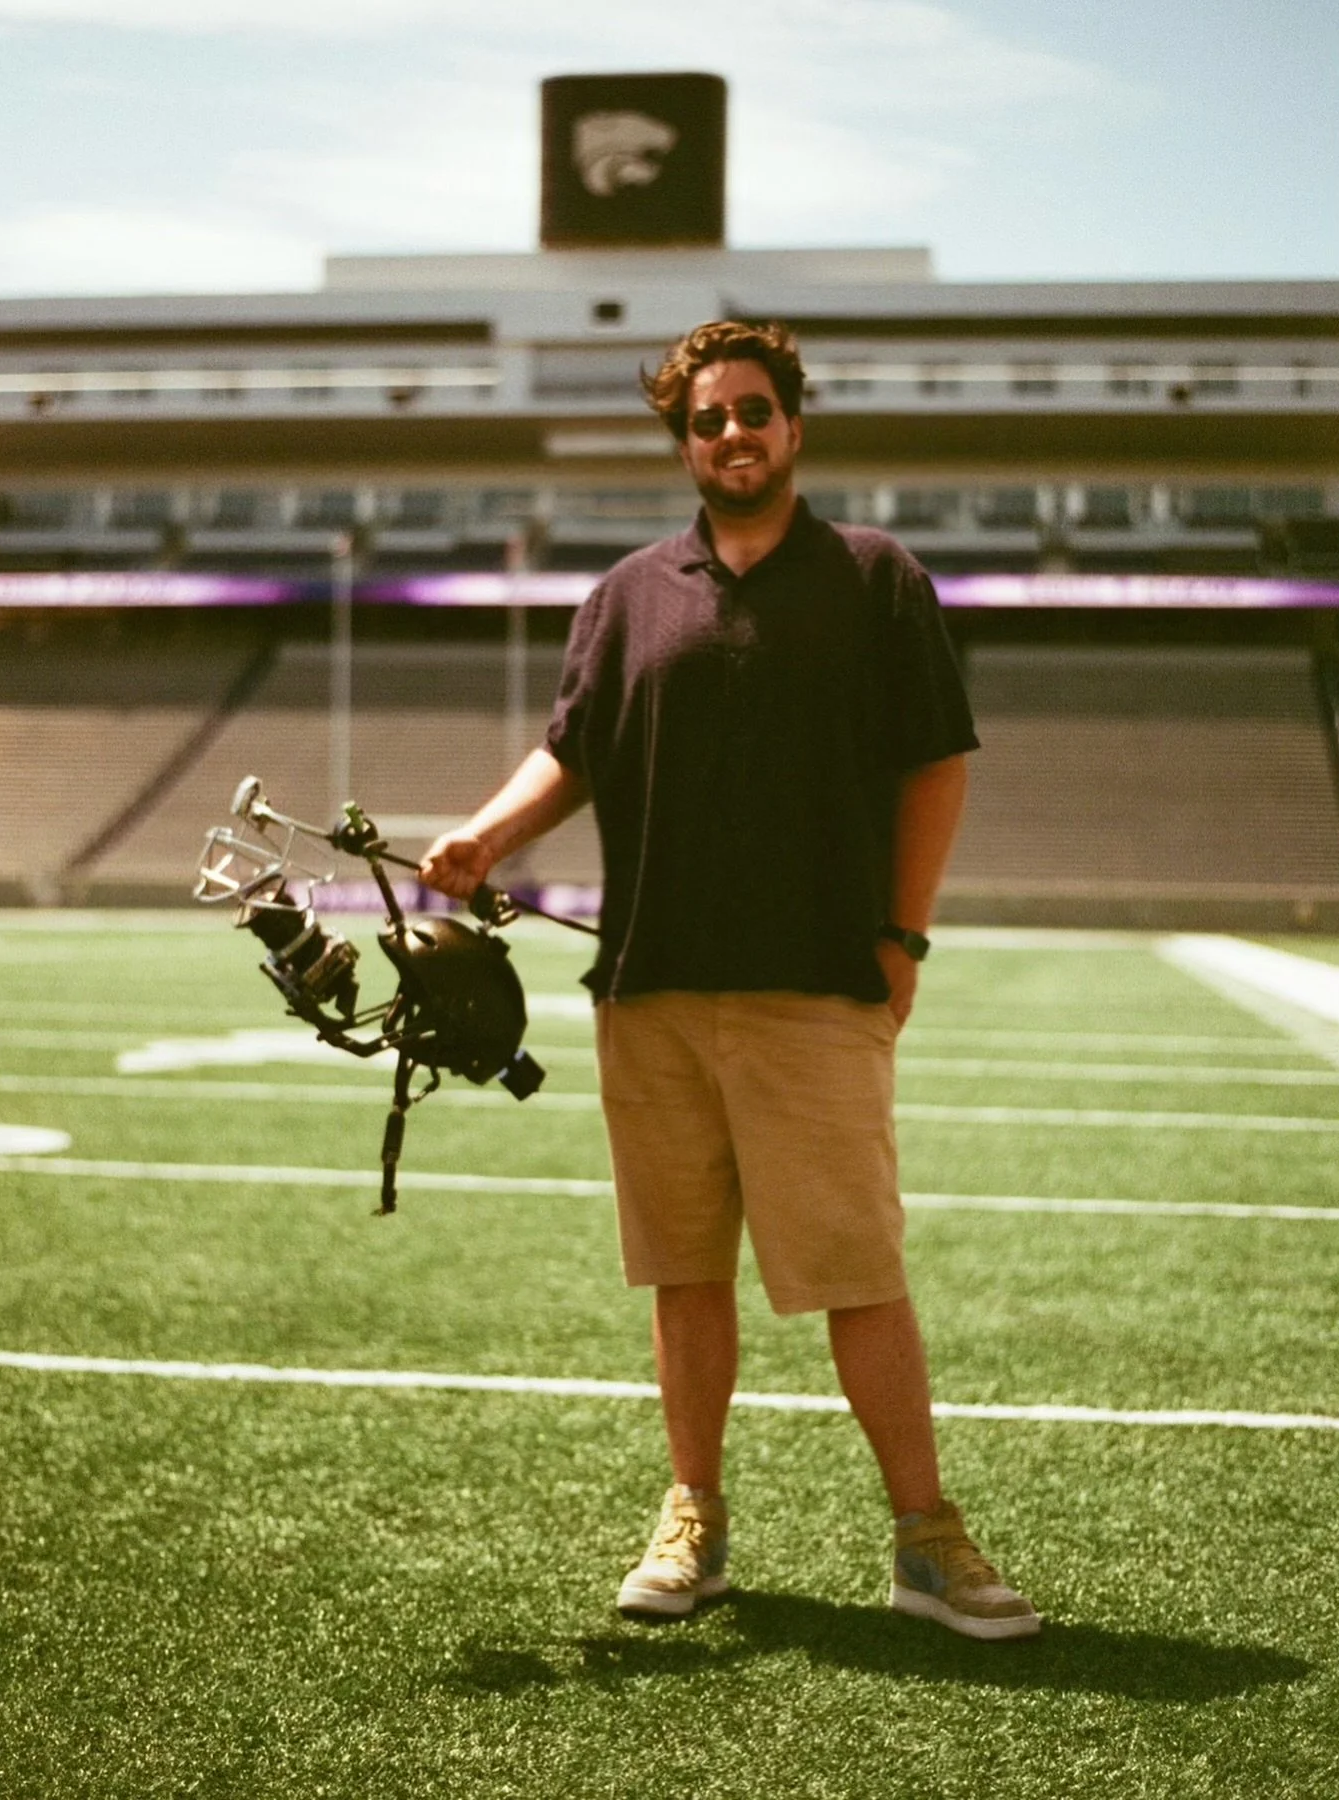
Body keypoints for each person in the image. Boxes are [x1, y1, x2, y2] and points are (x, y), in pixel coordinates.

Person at [421, 320, 1039, 1641]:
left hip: (813, 984)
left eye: (755, 412)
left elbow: (938, 761)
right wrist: (484, 835)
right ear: (683, 440)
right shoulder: (625, 595)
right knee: (684, 1273)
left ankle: (926, 1537)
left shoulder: (874, 578)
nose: (733, 435)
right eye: (708, 420)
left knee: (858, 1273)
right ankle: (692, 1518)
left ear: (794, 428)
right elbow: (572, 751)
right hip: (649, 988)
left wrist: (903, 938)